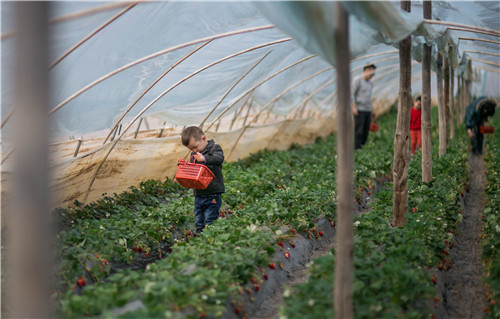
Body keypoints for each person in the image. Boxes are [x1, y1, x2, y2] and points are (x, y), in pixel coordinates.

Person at [181, 126, 225, 234]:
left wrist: (204, 159)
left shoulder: (215, 148)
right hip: (199, 194)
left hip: (213, 193)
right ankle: (200, 242)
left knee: (210, 220)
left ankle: (210, 241)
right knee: (198, 221)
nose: (194, 151)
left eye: (195, 147)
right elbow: (193, 172)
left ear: (203, 139)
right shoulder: (194, 155)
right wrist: (185, 165)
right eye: (191, 149)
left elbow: (219, 158)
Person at [352, 63, 376, 149]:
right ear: (366, 70)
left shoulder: (370, 83)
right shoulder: (358, 81)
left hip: (367, 110)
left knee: (366, 131)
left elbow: (369, 98)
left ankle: (362, 148)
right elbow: (352, 95)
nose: (371, 76)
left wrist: (372, 110)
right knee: (359, 131)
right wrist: (354, 108)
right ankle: (356, 148)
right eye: (371, 74)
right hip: (359, 110)